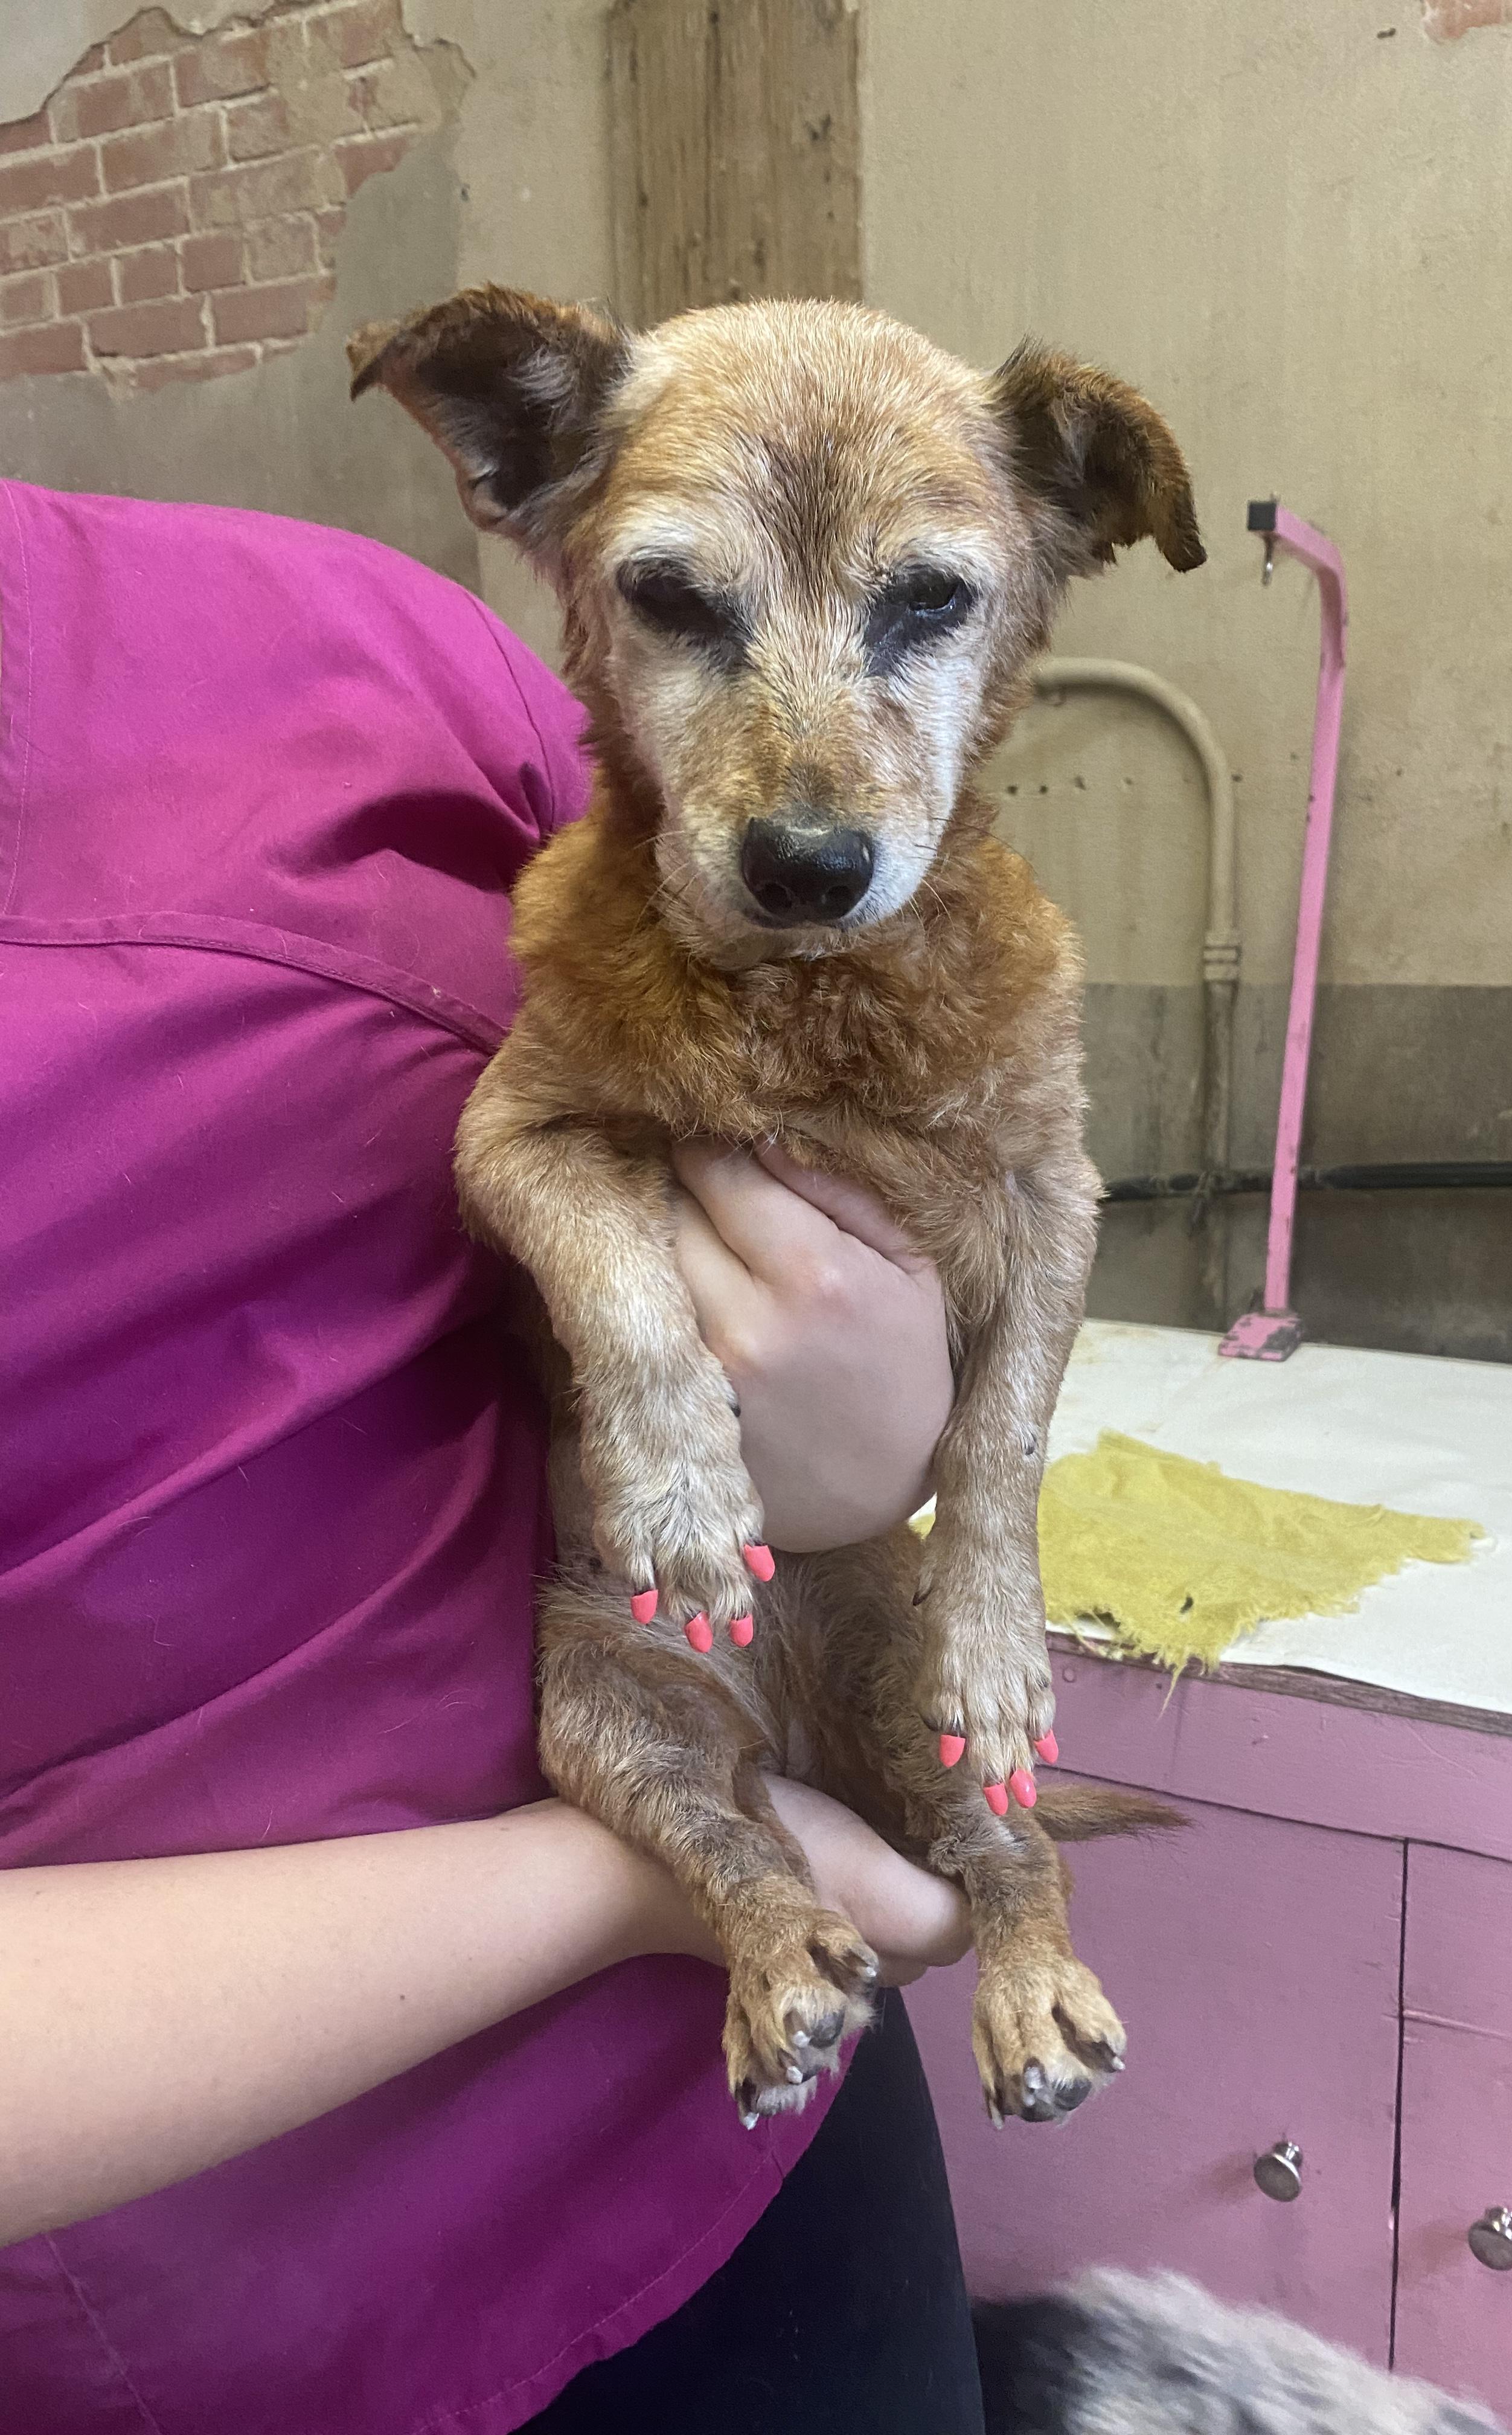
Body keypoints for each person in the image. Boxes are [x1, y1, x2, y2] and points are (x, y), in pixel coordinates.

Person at [0, 478, 984, 2434]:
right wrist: (650, 1877)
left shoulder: (350, 646)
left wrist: (875, 1423)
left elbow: (815, 1178)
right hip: (218, 2329)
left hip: (735, 2126)